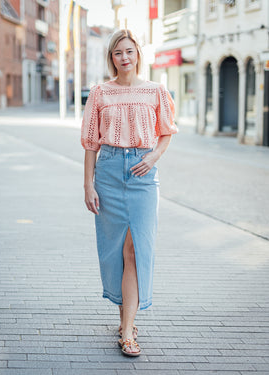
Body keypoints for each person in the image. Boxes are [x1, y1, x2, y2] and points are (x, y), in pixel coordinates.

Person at [81, 29, 178, 357]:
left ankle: (127, 330)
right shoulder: (99, 93)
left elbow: (166, 132)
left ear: (138, 54)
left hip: (142, 175)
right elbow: (91, 144)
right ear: (112, 58)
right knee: (115, 252)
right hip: (108, 173)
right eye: (117, 53)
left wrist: (153, 156)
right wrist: (88, 184)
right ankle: (126, 321)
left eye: (129, 51)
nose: (124, 57)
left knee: (136, 251)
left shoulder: (156, 91)